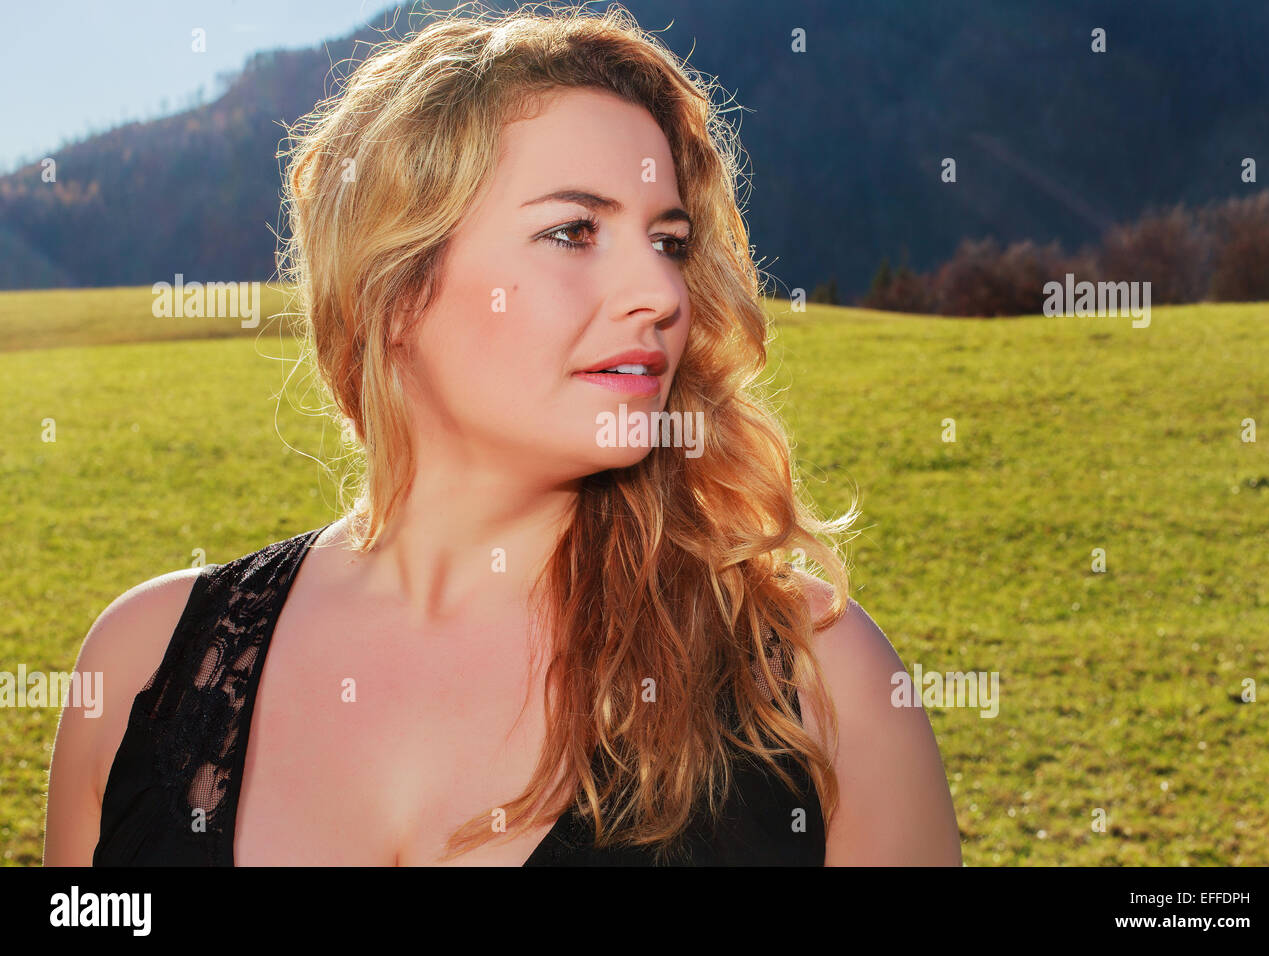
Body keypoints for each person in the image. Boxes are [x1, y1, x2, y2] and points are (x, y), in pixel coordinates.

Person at [44, 1, 961, 866]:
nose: (662, 293)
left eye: (670, 241)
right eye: (574, 231)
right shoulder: (142, 669)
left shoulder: (814, 681)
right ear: (397, 291)